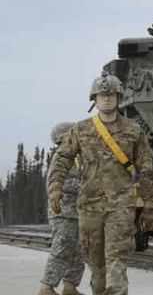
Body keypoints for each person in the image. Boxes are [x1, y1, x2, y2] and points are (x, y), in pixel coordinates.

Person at [47, 76, 153, 295]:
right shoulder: (81, 130)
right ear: (94, 99)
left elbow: (145, 169)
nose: (106, 99)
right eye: (101, 95)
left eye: (111, 95)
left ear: (119, 97)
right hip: (89, 207)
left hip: (120, 206)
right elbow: (62, 159)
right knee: (96, 263)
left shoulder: (134, 131)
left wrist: (149, 205)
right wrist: (56, 188)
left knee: (117, 257)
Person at [39, 122, 86, 295]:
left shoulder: (77, 157)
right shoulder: (61, 157)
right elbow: (63, 184)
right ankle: (47, 287)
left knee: (78, 251)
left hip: (78, 213)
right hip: (63, 213)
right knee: (62, 249)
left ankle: (70, 286)